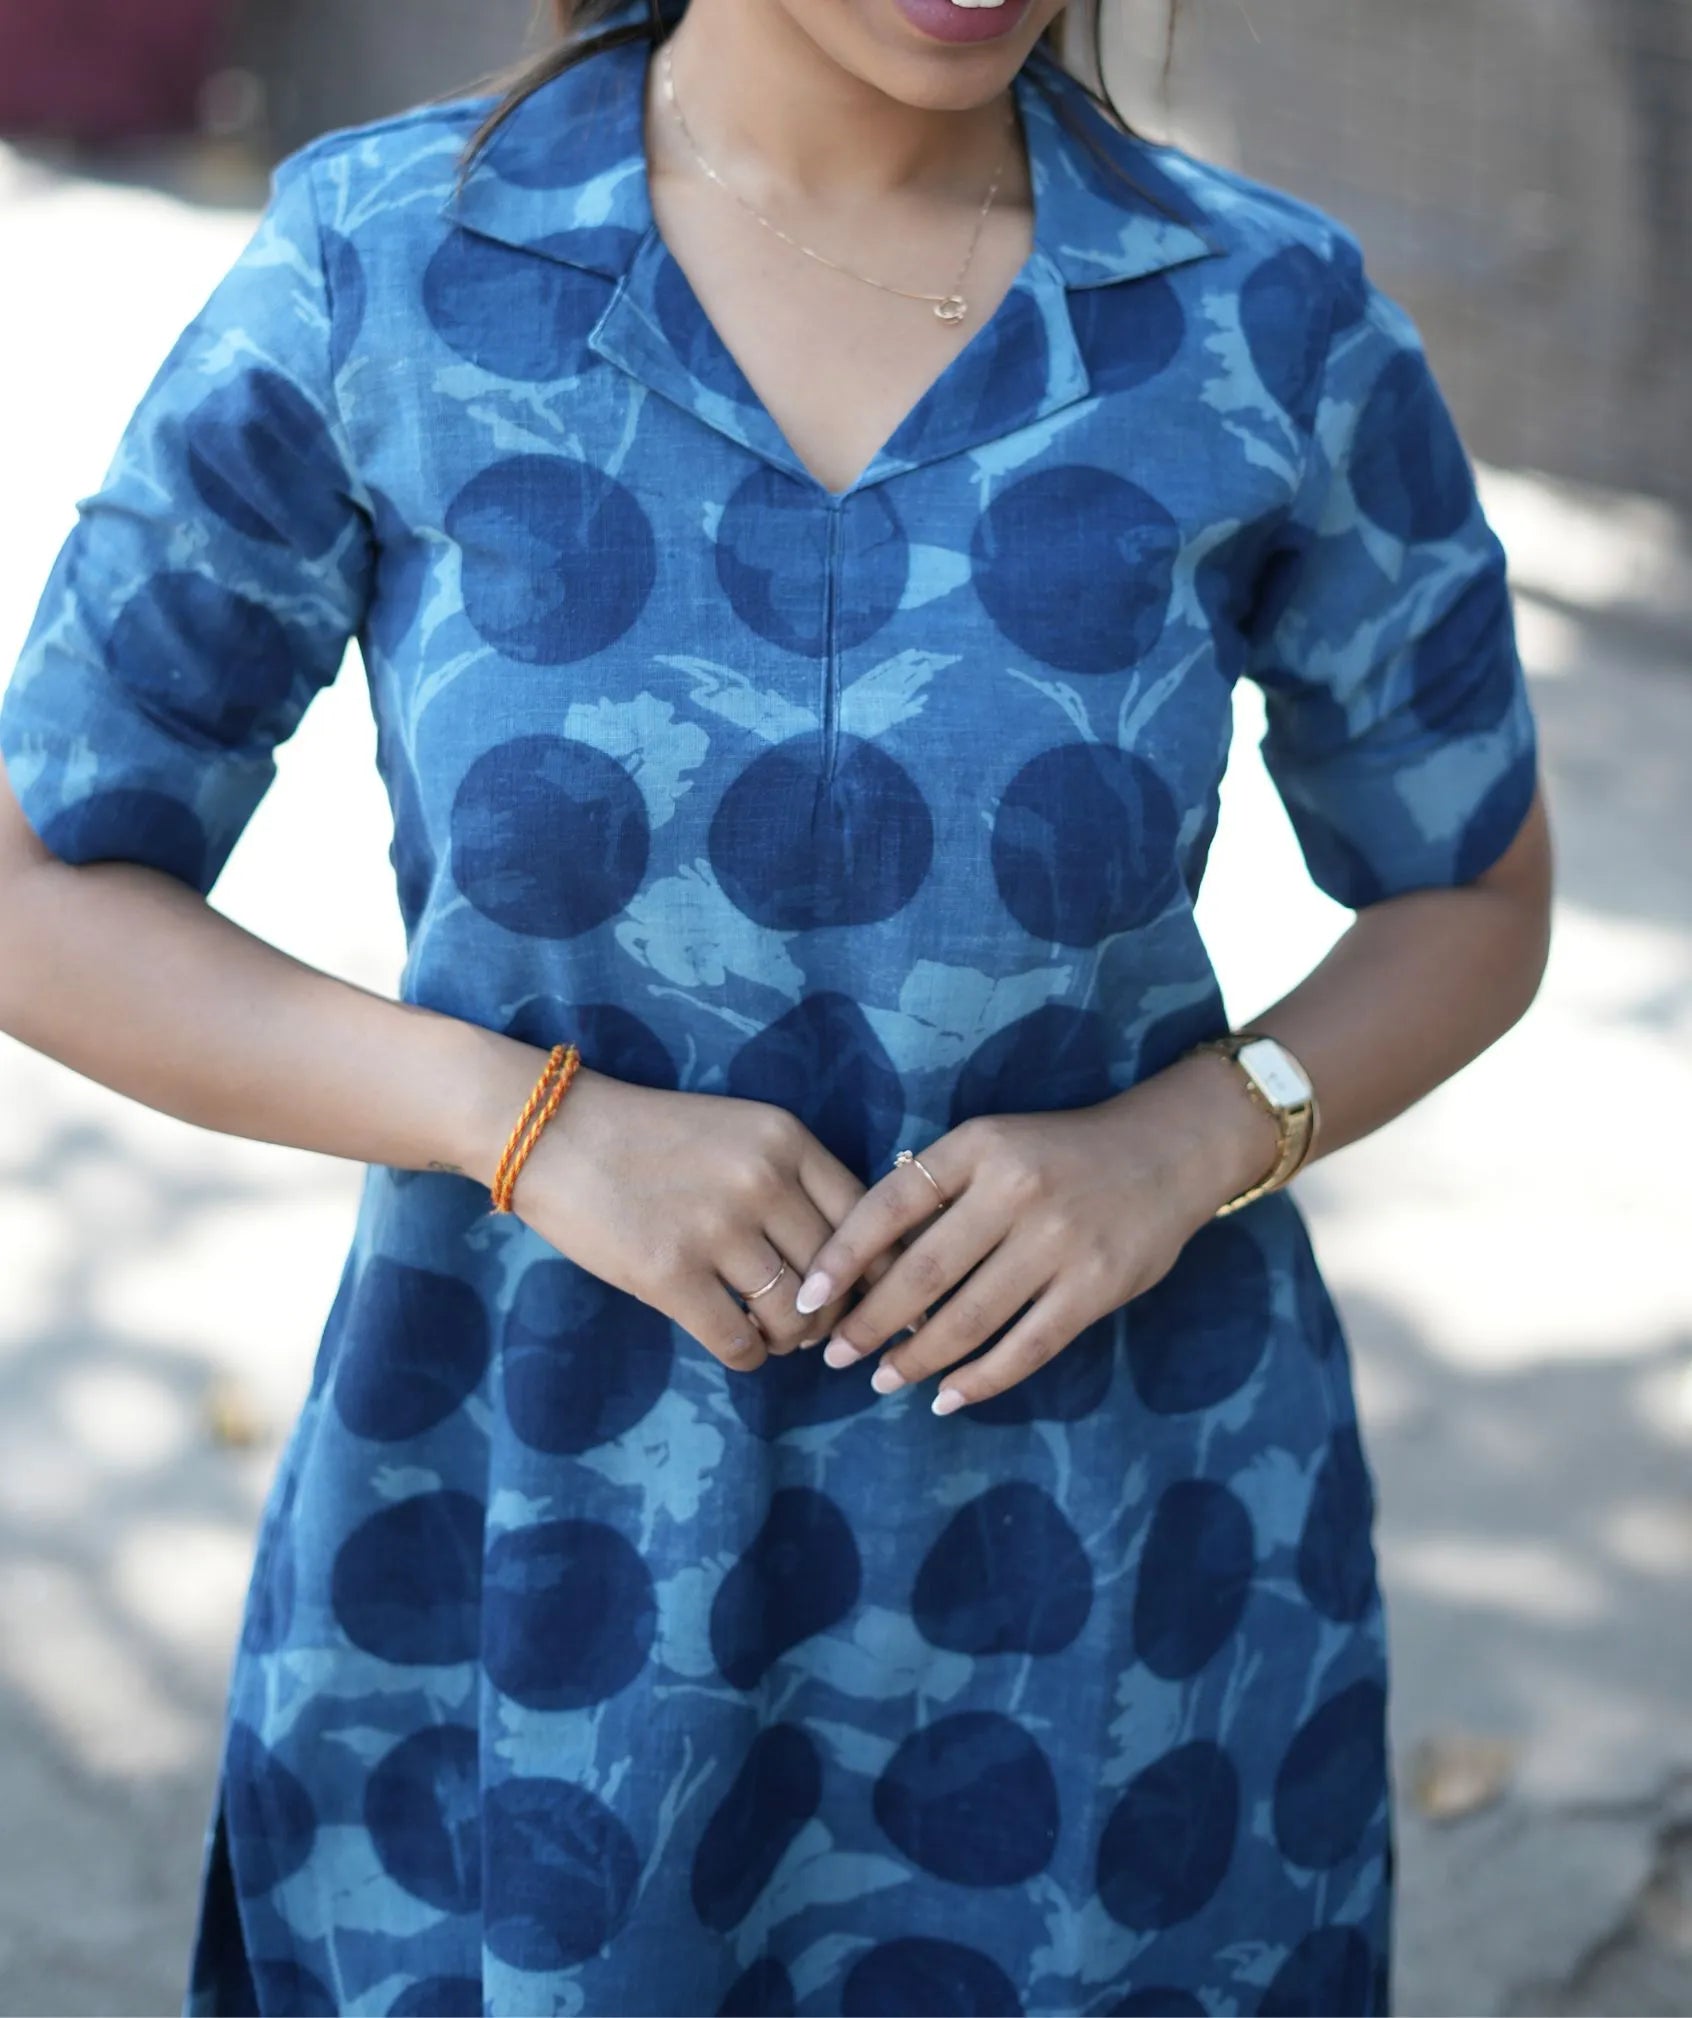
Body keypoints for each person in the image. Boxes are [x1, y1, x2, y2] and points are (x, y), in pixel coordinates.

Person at [0, 0, 1552, 2008]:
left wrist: (1188, 1138)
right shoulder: (386, 265)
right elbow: (40, 888)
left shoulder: (1268, 320)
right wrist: (519, 1120)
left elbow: (1473, 890)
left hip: (1116, 1597)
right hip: (529, 1548)